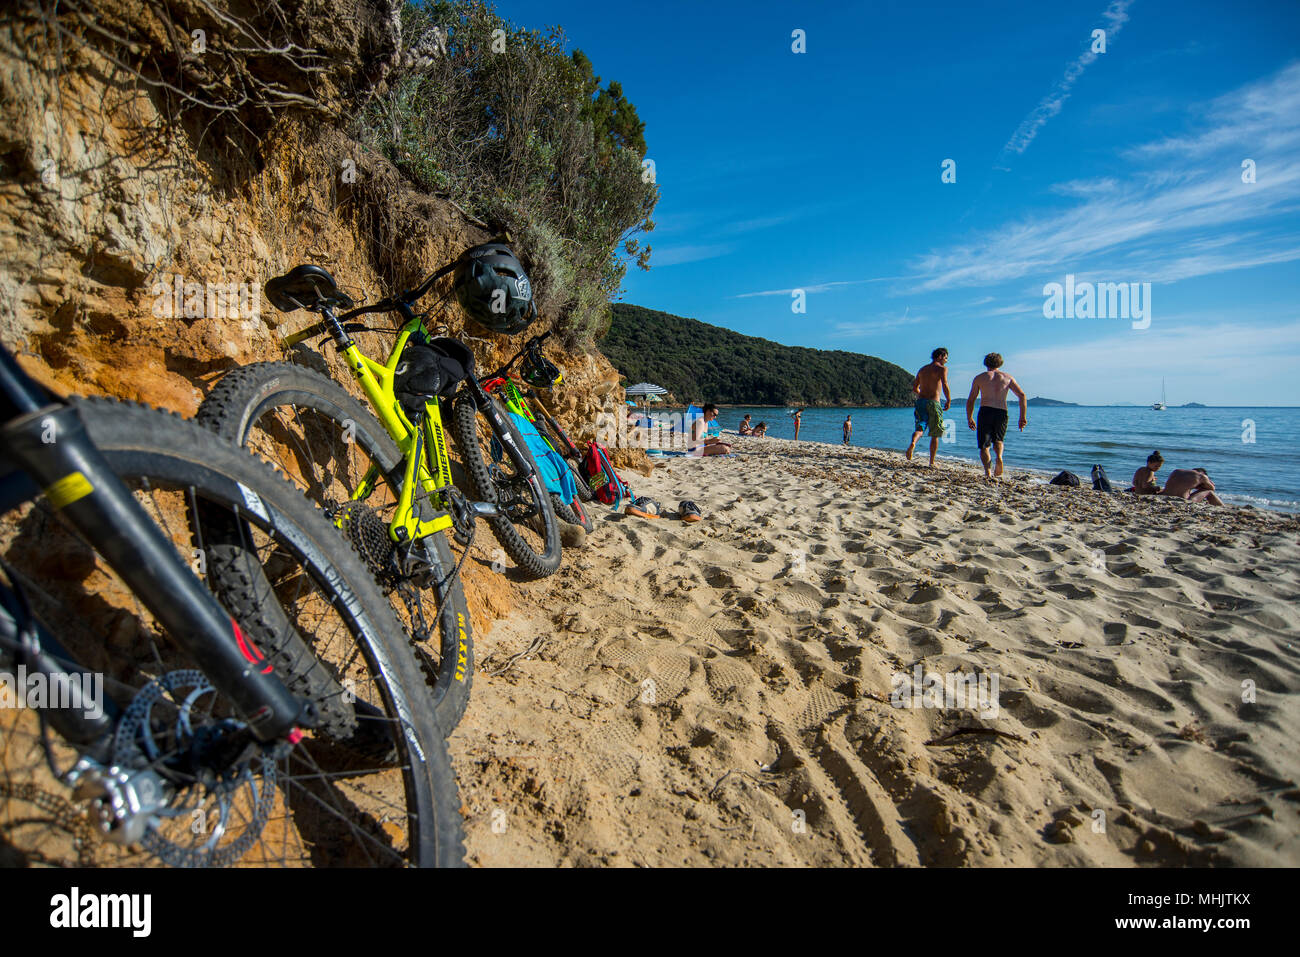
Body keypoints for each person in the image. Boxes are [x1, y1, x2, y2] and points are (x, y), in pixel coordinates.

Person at [964, 352, 1026, 479]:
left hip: (985, 411)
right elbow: (1022, 395)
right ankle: (999, 457)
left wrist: (969, 417)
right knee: (998, 439)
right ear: (1000, 363)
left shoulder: (980, 378)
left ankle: (987, 472)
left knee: (984, 445)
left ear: (986, 363)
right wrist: (1022, 417)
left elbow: (971, 400)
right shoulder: (1008, 377)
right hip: (1001, 411)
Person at [906, 348, 951, 467]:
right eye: (946, 357)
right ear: (940, 356)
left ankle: (913, 443)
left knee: (920, 427)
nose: (946, 360)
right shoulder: (942, 369)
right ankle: (932, 462)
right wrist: (948, 400)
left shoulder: (922, 369)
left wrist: (922, 393)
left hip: (921, 402)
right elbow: (945, 384)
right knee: (935, 433)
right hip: (933, 402)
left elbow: (915, 387)